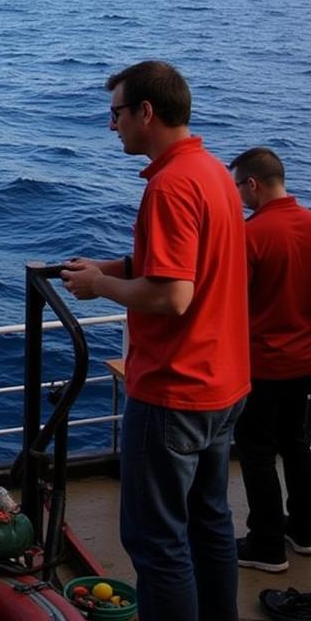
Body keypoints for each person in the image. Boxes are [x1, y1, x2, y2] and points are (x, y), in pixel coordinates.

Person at [62, 61, 249, 621]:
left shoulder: (170, 186)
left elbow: (173, 296)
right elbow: (185, 265)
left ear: (146, 112)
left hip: (175, 389)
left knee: (156, 541)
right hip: (225, 384)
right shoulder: (213, 172)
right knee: (209, 523)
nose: (111, 125)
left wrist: (101, 286)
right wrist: (114, 264)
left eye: (116, 113)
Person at [229, 146, 311, 572]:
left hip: (262, 363)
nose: (239, 195)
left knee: (257, 451)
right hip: (305, 362)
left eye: (238, 186)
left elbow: (232, 303)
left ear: (253, 184)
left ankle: (266, 544)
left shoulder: (251, 235)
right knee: (297, 442)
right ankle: (304, 528)